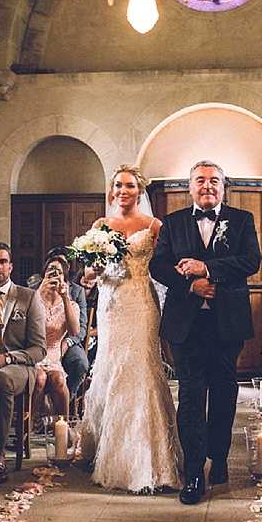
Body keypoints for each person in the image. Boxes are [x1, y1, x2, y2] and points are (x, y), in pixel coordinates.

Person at [150, 159, 261, 504]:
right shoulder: (173, 222)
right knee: (192, 394)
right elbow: (158, 265)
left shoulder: (242, 220)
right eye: (201, 180)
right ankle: (194, 470)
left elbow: (251, 261)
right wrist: (190, 286)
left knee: (225, 392)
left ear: (224, 186)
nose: (208, 186)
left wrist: (208, 268)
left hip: (227, 321)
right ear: (190, 186)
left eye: (214, 181)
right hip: (187, 323)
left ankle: (220, 456)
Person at [82, 165, 181, 493]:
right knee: (109, 369)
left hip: (140, 301)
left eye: (129, 186)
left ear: (140, 191)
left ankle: (148, 459)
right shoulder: (100, 225)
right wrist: (92, 271)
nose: (123, 191)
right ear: (112, 190)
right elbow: (91, 268)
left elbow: (165, 265)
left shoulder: (154, 226)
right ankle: (104, 448)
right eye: (118, 186)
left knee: (139, 370)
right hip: (110, 303)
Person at [0, 242, 45, 484]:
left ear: (11, 266)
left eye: (3, 261)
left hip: (17, 367)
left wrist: (7, 358)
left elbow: (39, 349)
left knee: (1, 380)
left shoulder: (28, 297)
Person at [33, 258, 79, 421]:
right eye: (51, 271)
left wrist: (65, 297)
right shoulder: (33, 299)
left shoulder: (71, 305)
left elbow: (74, 331)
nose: (55, 275)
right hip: (34, 353)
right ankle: (30, 426)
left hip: (53, 355)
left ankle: (63, 425)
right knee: (40, 378)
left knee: (59, 379)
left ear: (65, 279)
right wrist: (40, 290)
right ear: (44, 275)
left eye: (59, 273)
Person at [40, 247, 90, 399]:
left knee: (80, 362)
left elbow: (80, 328)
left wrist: (67, 342)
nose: (56, 274)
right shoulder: (36, 287)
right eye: (52, 269)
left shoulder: (76, 291)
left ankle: (69, 397)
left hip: (67, 340)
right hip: (39, 341)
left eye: (60, 269)